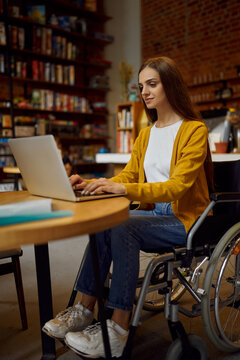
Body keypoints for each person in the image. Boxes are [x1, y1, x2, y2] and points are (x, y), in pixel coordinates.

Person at [42, 56, 213, 358]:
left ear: (169, 85)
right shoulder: (146, 134)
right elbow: (129, 177)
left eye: (152, 84)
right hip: (153, 213)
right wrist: (95, 183)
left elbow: (176, 187)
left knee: (122, 225)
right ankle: (83, 309)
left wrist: (122, 188)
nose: (145, 92)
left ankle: (118, 327)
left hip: (184, 219)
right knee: (104, 218)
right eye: (141, 86)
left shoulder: (194, 130)